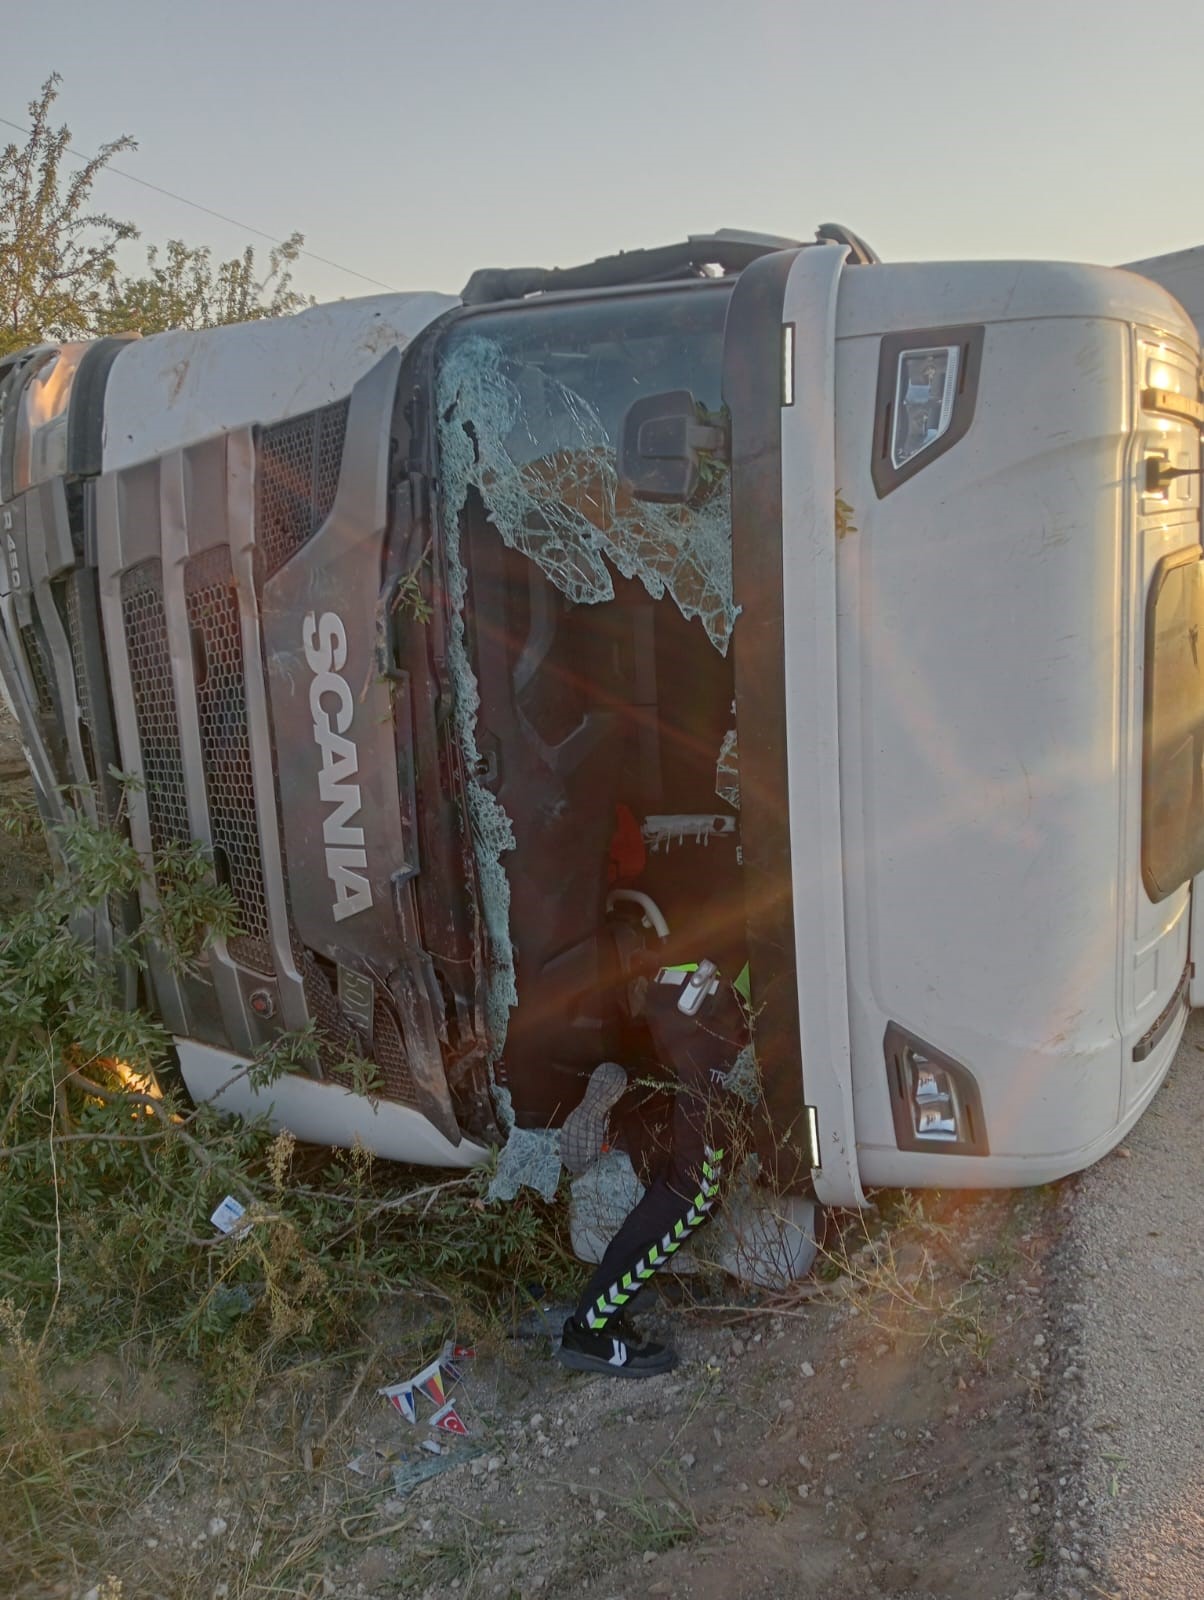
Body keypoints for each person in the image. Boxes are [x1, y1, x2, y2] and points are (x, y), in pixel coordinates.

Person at [555, 957, 750, 1378]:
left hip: (696, 1000)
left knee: (684, 1165)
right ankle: (591, 1327)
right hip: (714, 1019)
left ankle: (620, 1128)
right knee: (695, 1192)